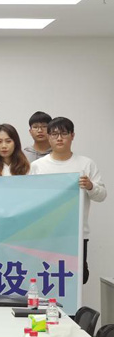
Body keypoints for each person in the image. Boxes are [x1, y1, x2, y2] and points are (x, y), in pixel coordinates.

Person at [31, 117, 107, 284]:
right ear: (48, 137)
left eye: (64, 134)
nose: (59, 138)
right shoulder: (37, 166)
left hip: (77, 233)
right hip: (46, 233)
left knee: (78, 278)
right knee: (45, 275)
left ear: (72, 135)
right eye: (54, 134)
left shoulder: (86, 164)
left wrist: (90, 186)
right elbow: (30, 201)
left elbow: (102, 195)